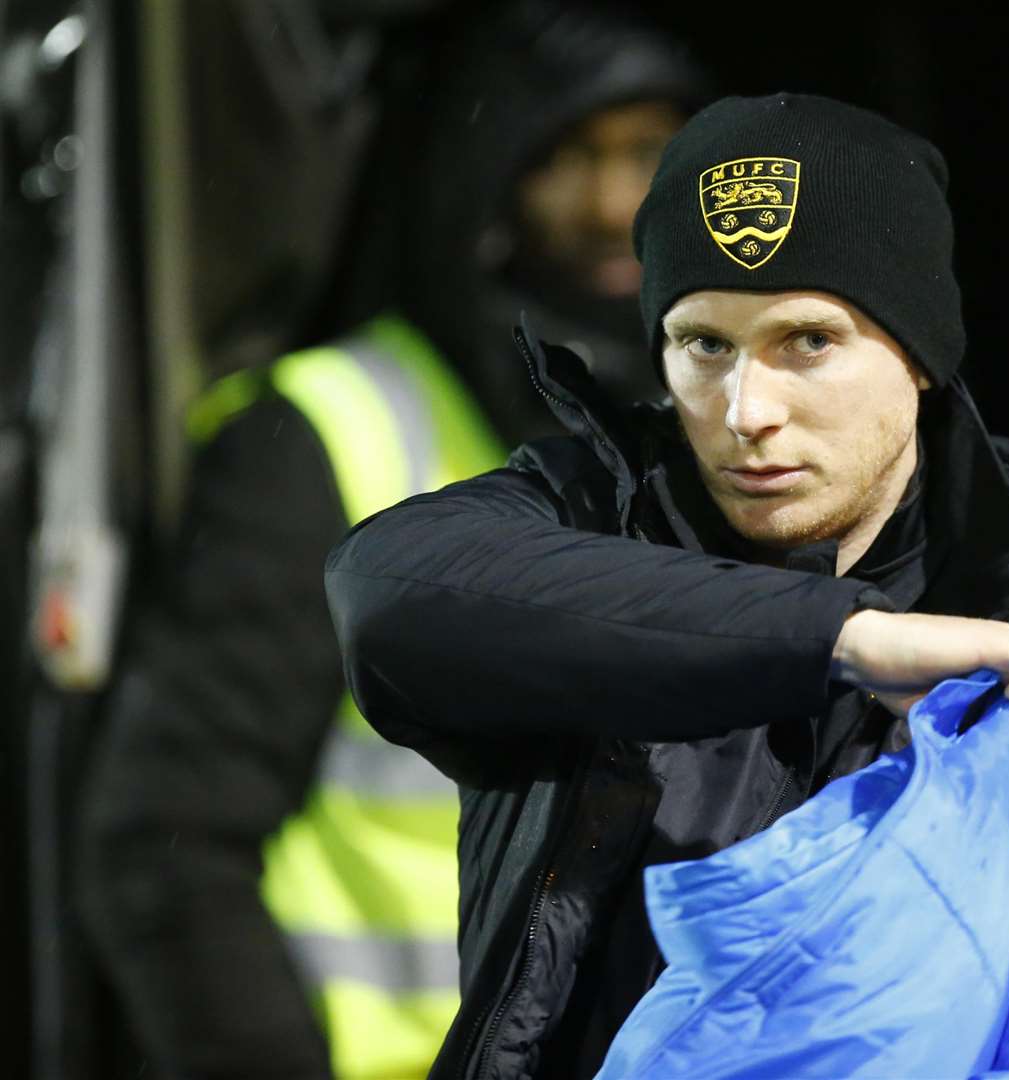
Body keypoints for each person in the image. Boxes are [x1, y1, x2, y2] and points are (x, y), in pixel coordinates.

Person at [325, 92, 1009, 1079]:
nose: (747, 409)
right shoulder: (592, 516)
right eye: (704, 344)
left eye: (807, 341)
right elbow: (382, 591)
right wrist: (842, 639)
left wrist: (867, 1011)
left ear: (922, 355)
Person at [74, 7, 702, 1078]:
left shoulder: (719, 441)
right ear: (485, 177)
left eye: (648, 153)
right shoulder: (330, 432)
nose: (610, 204)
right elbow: (163, 845)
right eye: (569, 155)